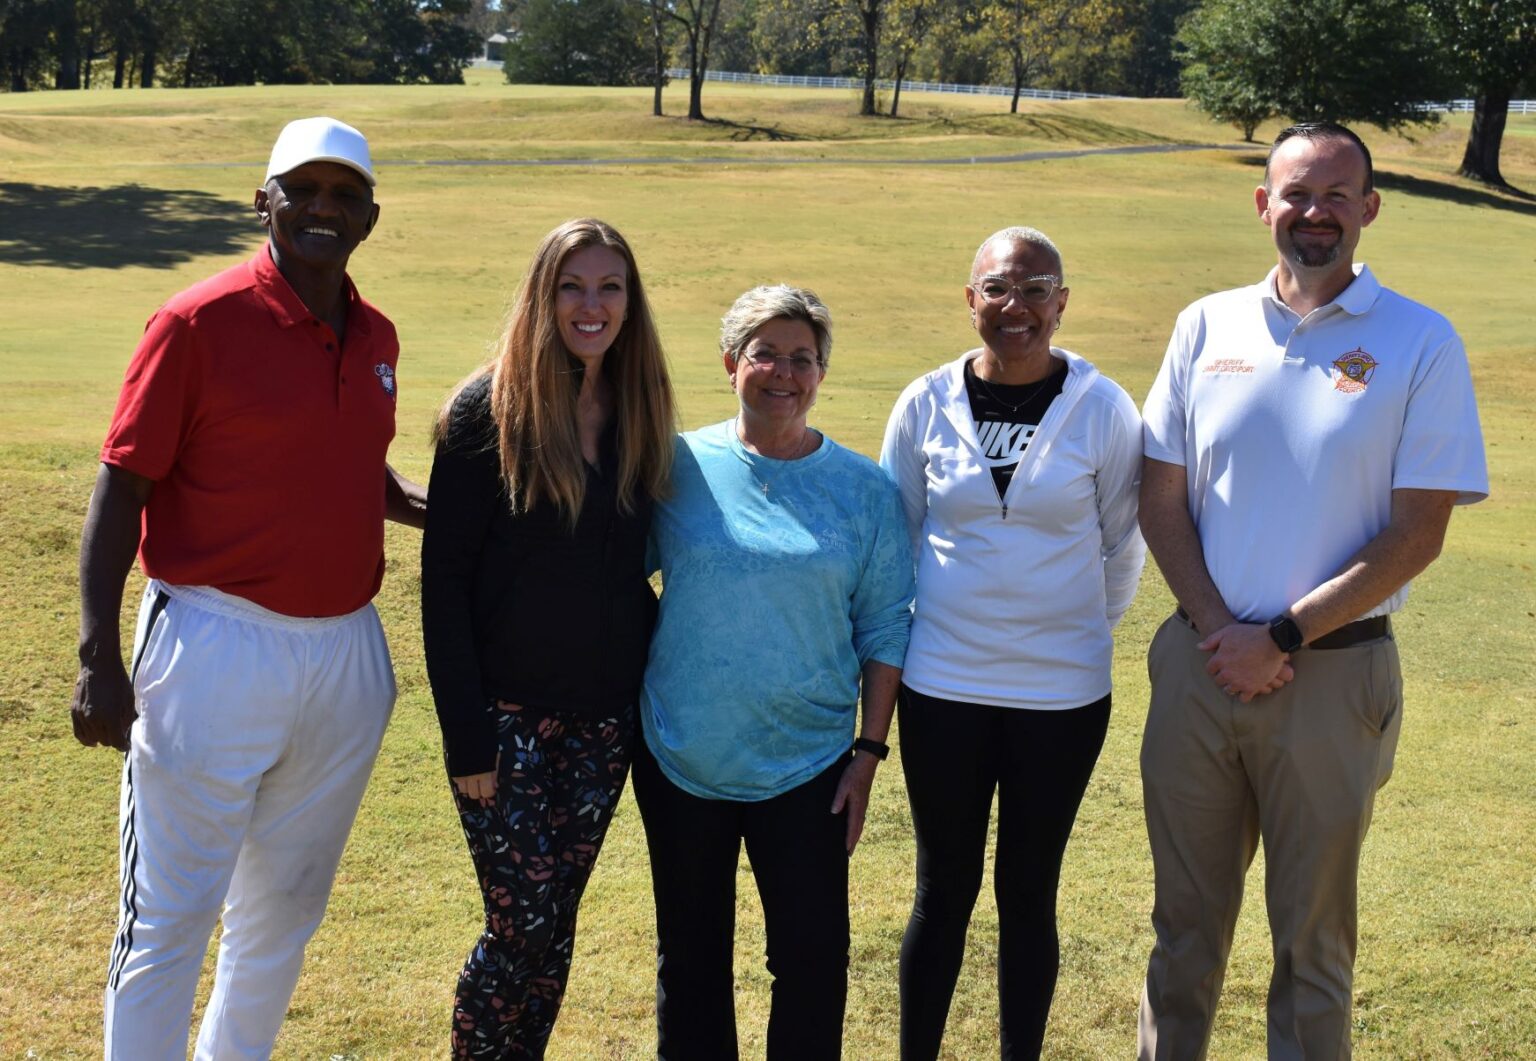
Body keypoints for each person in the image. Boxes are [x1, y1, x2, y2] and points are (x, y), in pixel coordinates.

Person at [71, 116, 426, 1060]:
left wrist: (452, 513)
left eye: (344, 195)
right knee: (168, 916)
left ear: (371, 218)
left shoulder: (377, 333)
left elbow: (351, 467)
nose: (322, 208)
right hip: (212, 643)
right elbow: (124, 482)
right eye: (302, 189)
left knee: (282, 915)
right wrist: (98, 656)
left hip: (344, 651)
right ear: (261, 199)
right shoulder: (197, 320)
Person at [1136, 122, 1489, 1058]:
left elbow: (1420, 531)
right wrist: (1221, 630)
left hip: (1333, 675)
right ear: (1264, 205)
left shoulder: (1420, 340)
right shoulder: (1205, 325)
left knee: (1314, 945)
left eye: (1338, 195)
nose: (1315, 212)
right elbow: (1159, 490)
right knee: (1181, 932)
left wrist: (1280, 636)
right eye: (1296, 193)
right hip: (1200, 667)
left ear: (1369, 209)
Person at [879, 226, 1145, 1060]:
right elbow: (898, 545)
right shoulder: (924, 400)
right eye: (997, 289)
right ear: (970, 301)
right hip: (942, 685)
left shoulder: (1102, 407)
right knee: (942, 889)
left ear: (1062, 303)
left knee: (1029, 891)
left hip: (1061, 696)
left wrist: (1065, 635)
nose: (1015, 307)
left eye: (1035, 290)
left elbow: (1122, 549)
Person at [633, 285, 914, 1060]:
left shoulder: (865, 490)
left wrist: (870, 750)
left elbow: (886, 625)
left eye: (803, 357)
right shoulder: (677, 466)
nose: (784, 372)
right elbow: (612, 571)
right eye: (766, 354)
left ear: (822, 372)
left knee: (813, 960)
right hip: (681, 753)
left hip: (812, 765)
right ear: (730, 363)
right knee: (689, 961)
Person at [420, 218, 676, 1059]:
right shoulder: (485, 410)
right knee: (521, 920)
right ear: (543, 295)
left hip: (604, 721)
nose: (591, 305)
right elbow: (445, 583)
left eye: (610, 287)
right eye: (572, 286)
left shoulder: (640, 408)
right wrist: (468, 738)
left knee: (554, 922)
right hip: (505, 721)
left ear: (630, 303)